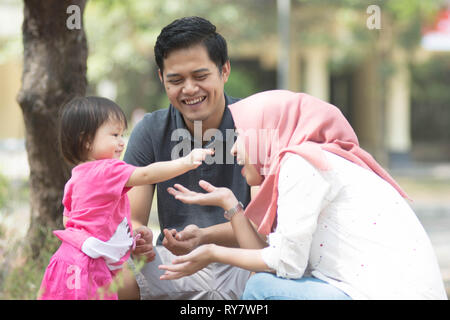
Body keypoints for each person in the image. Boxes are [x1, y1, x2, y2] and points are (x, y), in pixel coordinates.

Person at [159, 90, 448, 300]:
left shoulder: (301, 164)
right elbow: (273, 258)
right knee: (264, 283)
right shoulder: (312, 162)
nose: (233, 150)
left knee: (261, 290)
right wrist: (231, 205)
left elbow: (287, 265)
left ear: (266, 134)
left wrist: (211, 252)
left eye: (240, 137)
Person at [120, 16, 252, 300]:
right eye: (176, 80)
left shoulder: (253, 123)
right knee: (114, 274)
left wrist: (205, 236)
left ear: (224, 70)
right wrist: (140, 238)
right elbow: (133, 218)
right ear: (161, 79)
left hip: (244, 261)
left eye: (201, 76)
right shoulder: (150, 130)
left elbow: (267, 226)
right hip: (176, 263)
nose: (189, 89)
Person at [37, 96, 212, 300]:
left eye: (122, 134)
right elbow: (146, 174)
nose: (121, 142)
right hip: (93, 265)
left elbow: (69, 220)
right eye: (115, 134)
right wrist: (186, 162)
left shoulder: (76, 177)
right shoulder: (108, 169)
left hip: (69, 261)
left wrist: (129, 236)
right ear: (86, 141)